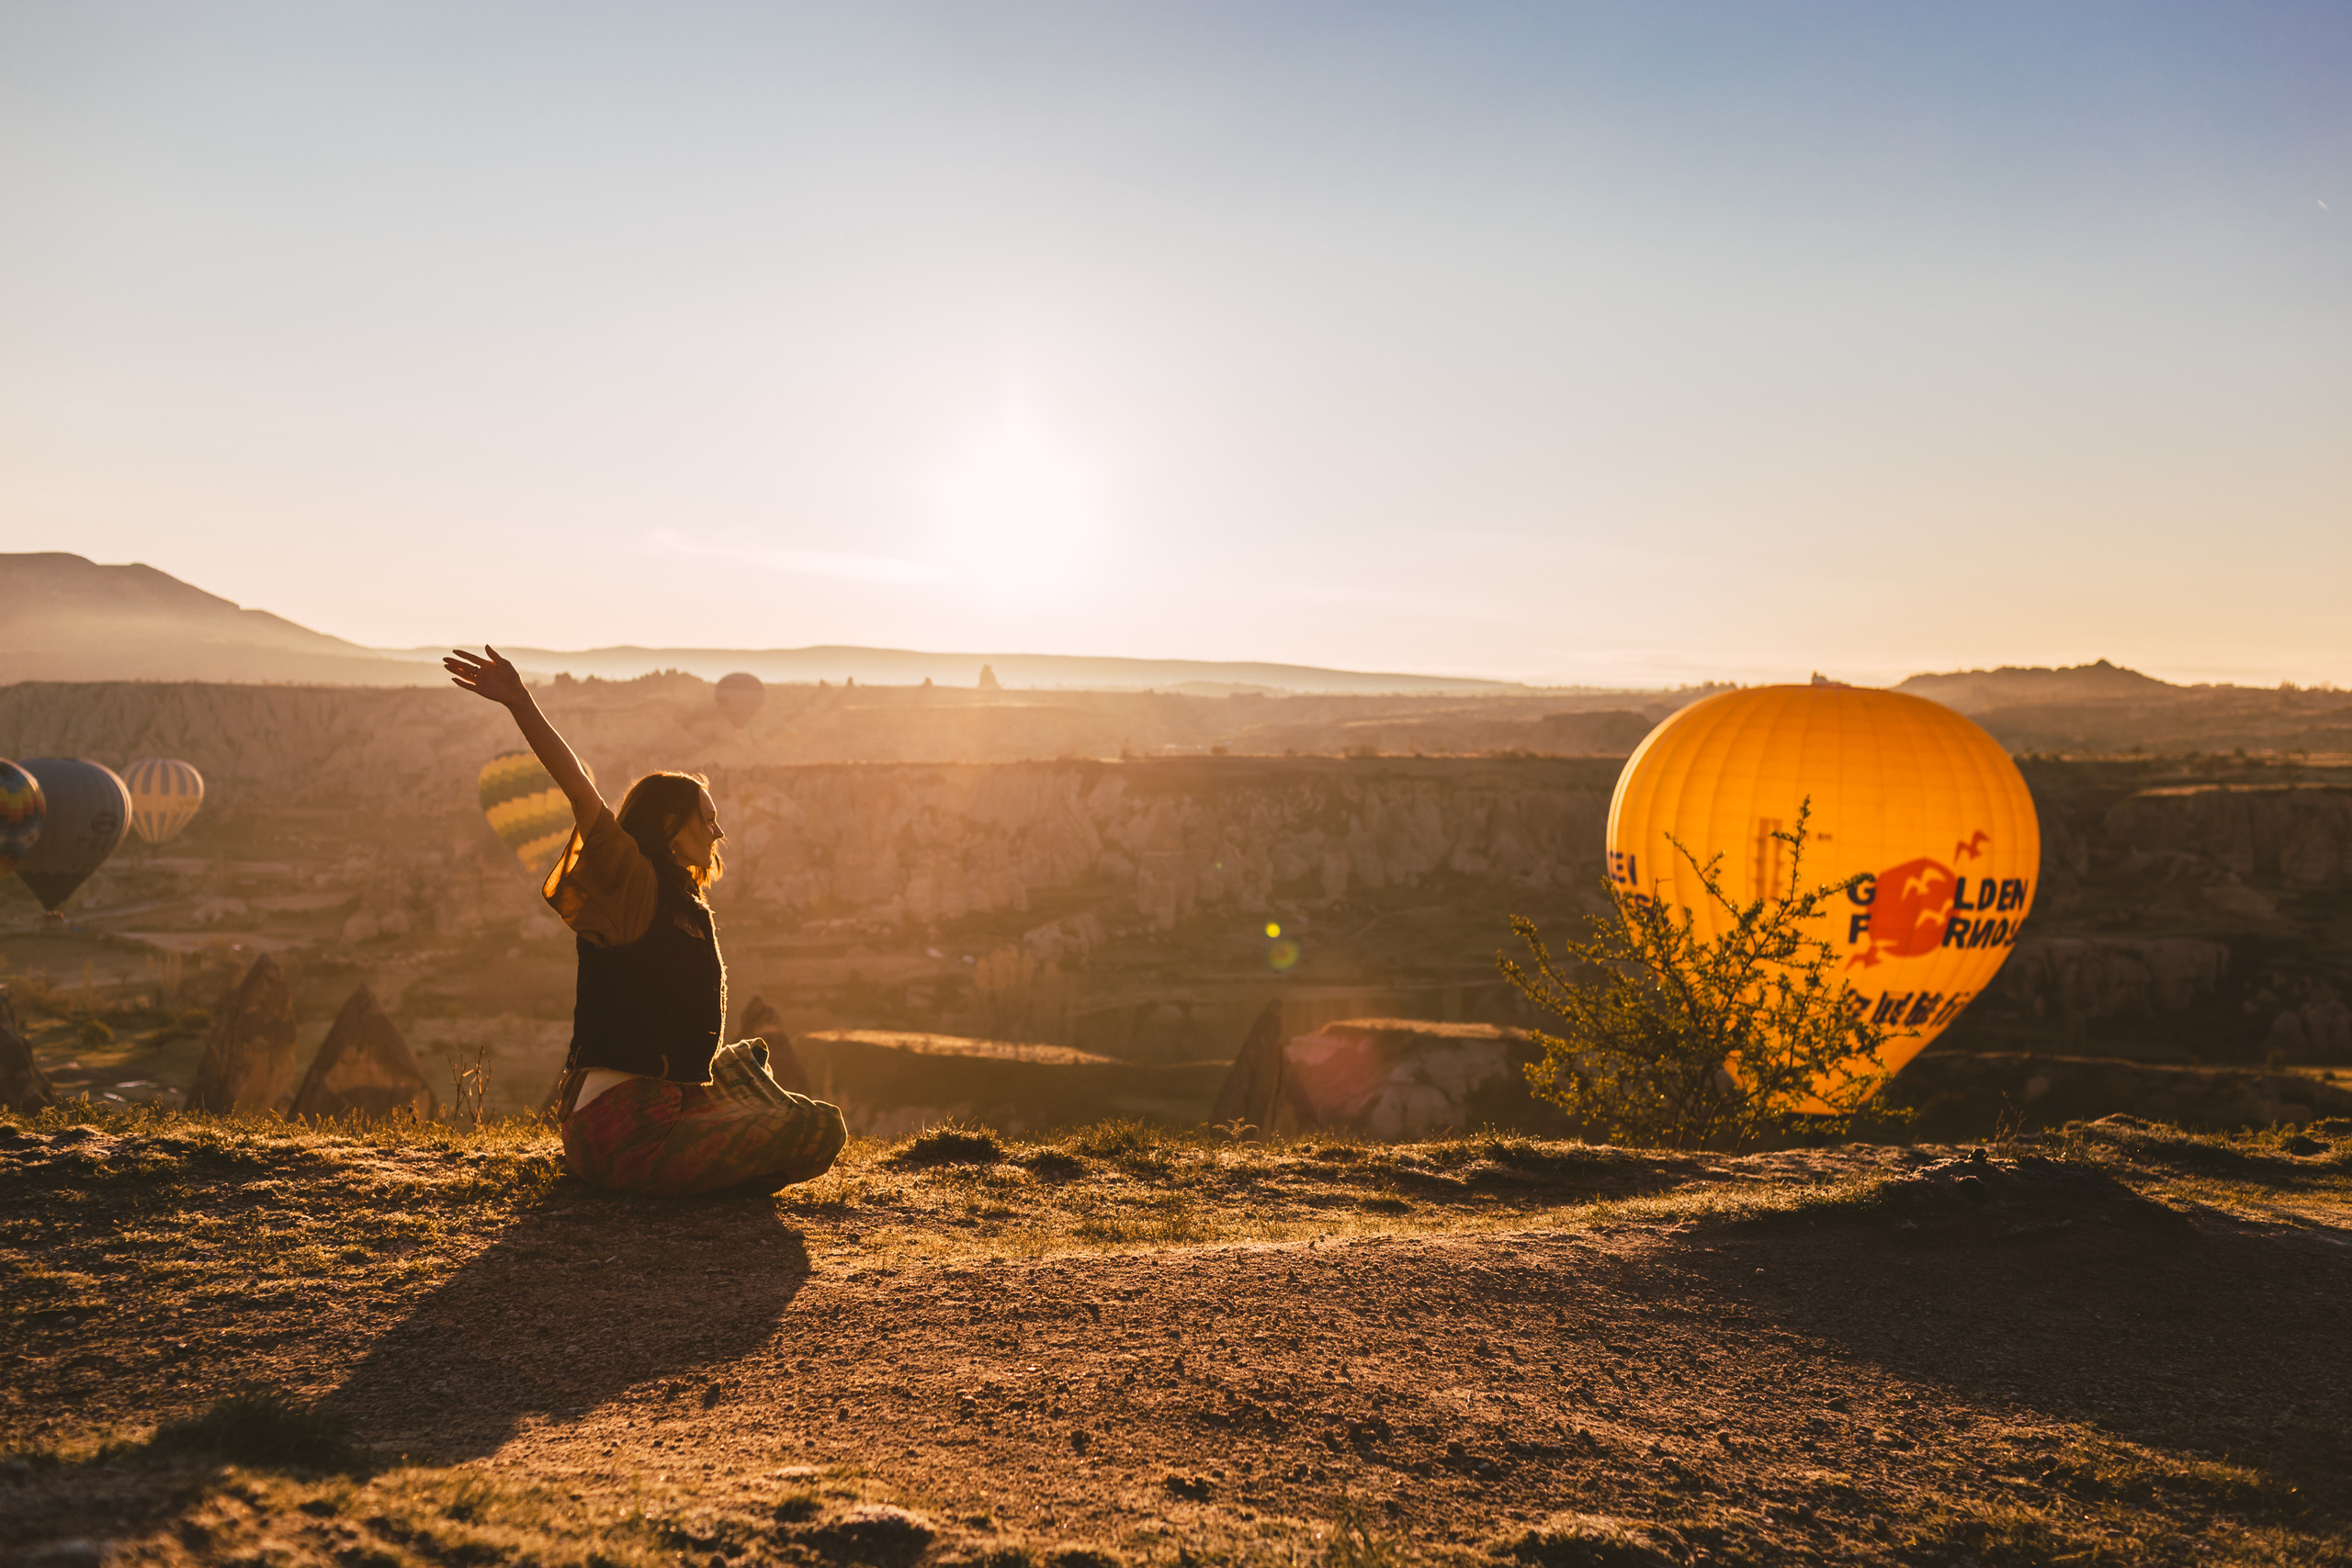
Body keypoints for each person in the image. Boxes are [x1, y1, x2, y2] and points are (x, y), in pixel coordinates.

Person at [447, 646, 845, 1196]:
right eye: (707, 820)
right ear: (668, 825)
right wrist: (520, 702)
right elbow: (582, 794)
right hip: (622, 1132)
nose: (717, 832)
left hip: (662, 1104)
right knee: (814, 1126)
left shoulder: (682, 902)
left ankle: (702, 1177)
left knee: (748, 1063)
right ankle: (690, 1183)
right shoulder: (633, 884)